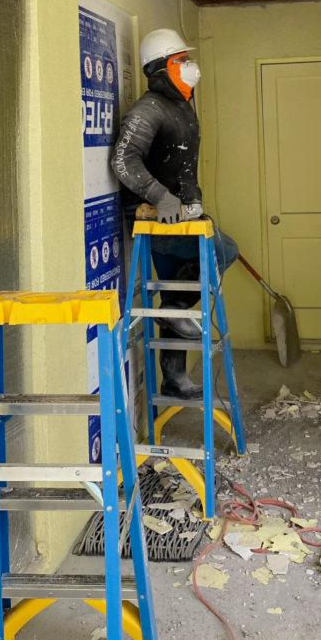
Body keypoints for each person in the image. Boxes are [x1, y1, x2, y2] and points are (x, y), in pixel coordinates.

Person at [111, 28, 238, 399]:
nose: (190, 66)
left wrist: (189, 200)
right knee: (224, 250)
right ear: (160, 70)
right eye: (180, 60)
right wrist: (160, 196)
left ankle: (174, 378)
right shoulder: (149, 109)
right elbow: (123, 158)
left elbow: (179, 163)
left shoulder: (181, 105)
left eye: (187, 59)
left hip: (181, 216)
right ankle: (173, 309)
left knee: (175, 291)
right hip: (156, 218)